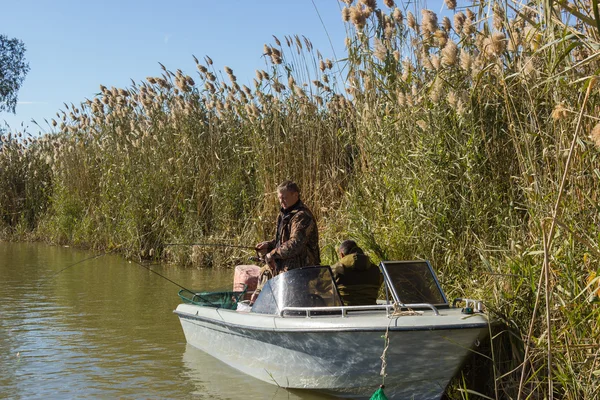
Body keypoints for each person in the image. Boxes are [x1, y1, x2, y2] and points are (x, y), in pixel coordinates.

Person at [249, 180, 320, 305]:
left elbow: (295, 244)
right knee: (264, 271)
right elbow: (281, 241)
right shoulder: (283, 214)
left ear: (295, 195)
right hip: (285, 264)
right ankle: (260, 306)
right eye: (279, 198)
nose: (281, 201)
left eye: (284, 198)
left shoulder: (302, 216)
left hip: (301, 268)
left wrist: (272, 254)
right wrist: (269, 245)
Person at [330, 239, 382, 306]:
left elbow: (319, 288)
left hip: (345, 313)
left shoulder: (336, 270)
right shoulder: (375, 270)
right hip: (371, 311)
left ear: (342, 255)